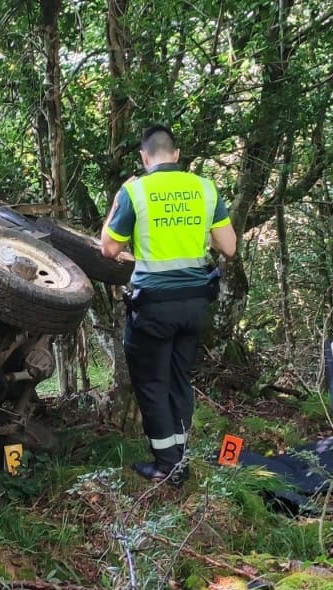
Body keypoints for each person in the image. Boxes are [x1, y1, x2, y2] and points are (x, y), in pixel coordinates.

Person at [99, 124, 237, 485]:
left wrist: (117, 200)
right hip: (195, 306)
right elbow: (229, 247)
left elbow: (108, 249)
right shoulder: (205, 189)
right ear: (176, 155)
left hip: (154, 308)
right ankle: (180, 457)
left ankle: (167, 467)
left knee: (152, 383)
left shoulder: (136, 192)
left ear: (144, 158)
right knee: (180, 379)